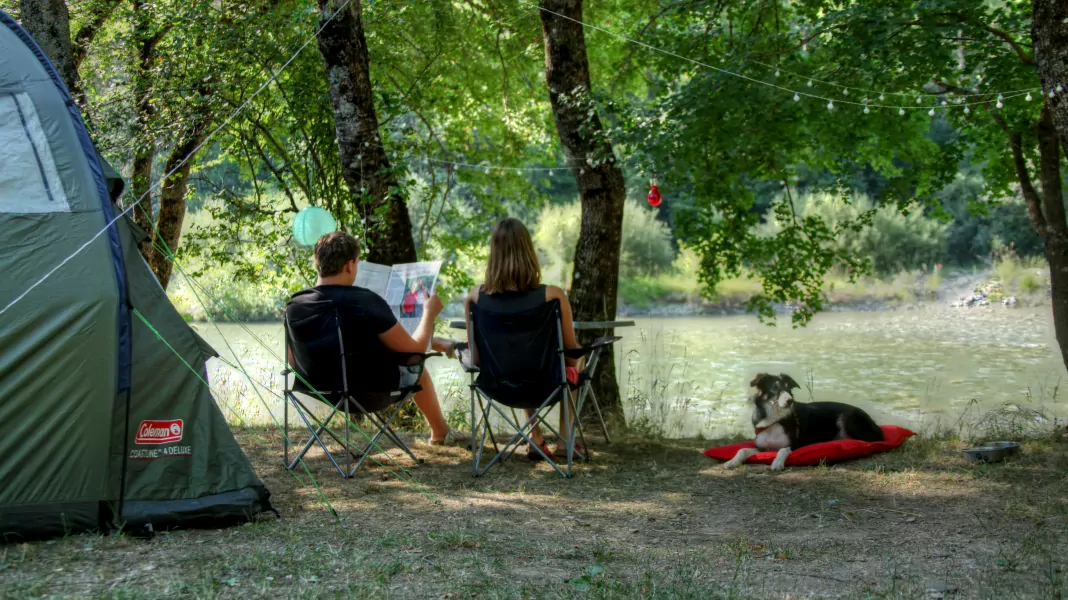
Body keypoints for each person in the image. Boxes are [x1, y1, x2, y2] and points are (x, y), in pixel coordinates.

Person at [286, 231, 469, 446]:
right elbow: (415, 351)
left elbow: (292, 360)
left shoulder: (294, 305)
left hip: (321, 392)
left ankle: (441, 344)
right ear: (350, 265)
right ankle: (440, 432)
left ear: (318, 263)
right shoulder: (364, 301)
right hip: (370, 392)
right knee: (418, 368)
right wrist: (429, 313)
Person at [464, 217, 583, 460]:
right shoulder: (553, 296)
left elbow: (475, 359)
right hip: (546, 384)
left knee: (517, 362)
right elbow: (571, 356)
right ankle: (564, 442)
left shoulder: (475, 298)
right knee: (573, 365)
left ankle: (535, 438)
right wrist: (582, 356)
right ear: (529, 252)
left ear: (493, 253)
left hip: (498, 386)